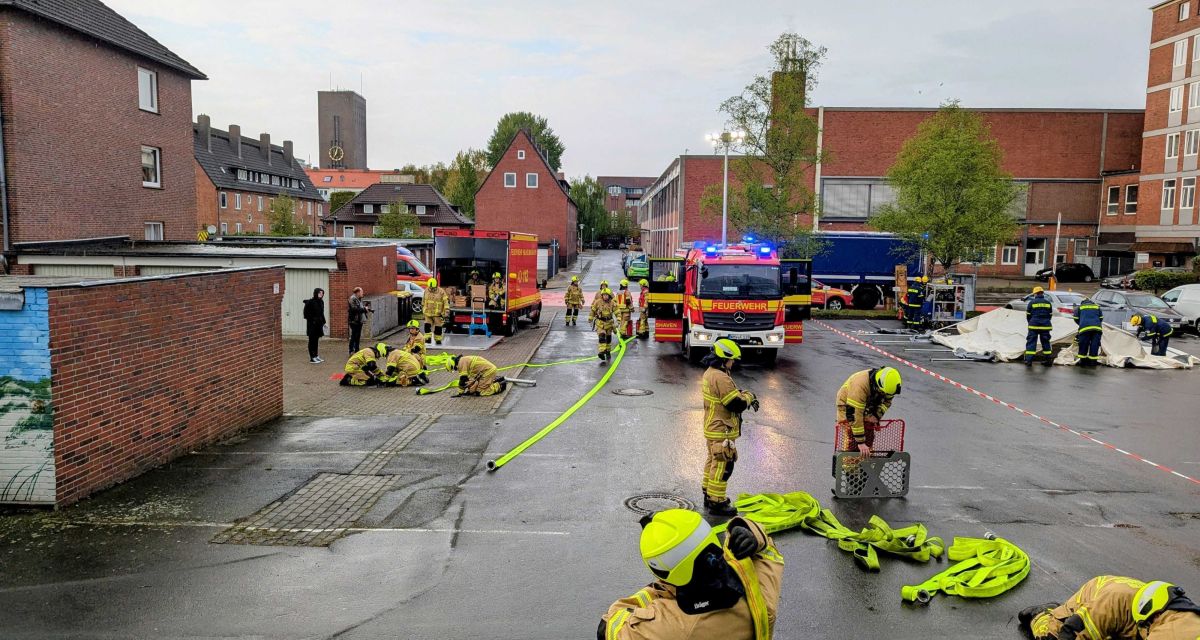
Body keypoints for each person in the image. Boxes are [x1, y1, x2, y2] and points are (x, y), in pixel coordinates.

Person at [599, 509, 783, 640]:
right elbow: (768, 554)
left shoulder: (673, 627)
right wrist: (751, 532)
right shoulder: (755, 589)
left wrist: (658, 592)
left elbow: (609, 626)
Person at [1019, 576, 1200, 639]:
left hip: (1127, 613)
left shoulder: (1172, 618)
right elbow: (1070, 633)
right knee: (1052, 636)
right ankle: (1044, 614)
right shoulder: (1109, 606)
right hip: (1091, 599)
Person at [699, 339, 759, 516]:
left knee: (713, 461)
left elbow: (727, 395)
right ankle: (717, 502)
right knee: (724, 465)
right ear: (724, 358)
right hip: (722, 429)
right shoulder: (721, 377)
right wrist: (749, 396)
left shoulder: (711, 373)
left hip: (713, 427)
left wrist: (742, 394)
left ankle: (708, 493)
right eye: (732, 359)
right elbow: (735, 404)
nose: (733, 362)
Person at [835, 367, 902, 457]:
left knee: (869, 435)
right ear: (878, 385)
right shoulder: (860, 385)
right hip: (848, 405)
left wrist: (876, 415)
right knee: (853, 441)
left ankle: (865, 465)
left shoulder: (889, 387)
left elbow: (887, 402)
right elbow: (854, 415)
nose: (885, 395)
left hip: (867, 403)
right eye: (883, 393)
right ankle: (849, 468)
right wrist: (860, 442)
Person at [1025, 286, 1054, 366]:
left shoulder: (1032, 303)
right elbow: (1050, 315)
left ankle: (1029, 361)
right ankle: (1048, 361)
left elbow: (1028, 315)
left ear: (1035, 294)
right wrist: (1045, 321)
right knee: (1046, 343)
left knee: (1031, 343)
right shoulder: (1048, 303)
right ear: (1042, 293)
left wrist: (1030, 322)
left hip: (1034, 326)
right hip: (1045, 326)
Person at [1073, 296, 1103, 366]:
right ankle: (1093, 362)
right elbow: (1101, 318)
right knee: (1095, 344)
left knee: (1083, 344)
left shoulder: (1079, 307)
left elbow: (1075, 318)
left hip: (1084, 329)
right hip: (1097, 329)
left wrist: (1081, 323)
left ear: (1082, 302)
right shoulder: (1097, 307)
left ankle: (1082, 361)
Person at [590, 288, 617, 362]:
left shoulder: (612, 303)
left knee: (608, 339)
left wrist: (618, 321)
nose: (605, 296)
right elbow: (593, 310)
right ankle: (602, 352)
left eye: (606, 295)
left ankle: (608, 352)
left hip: (609, 323)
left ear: (609, 296)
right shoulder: (598, 302)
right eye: (603, 295)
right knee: (602, 336)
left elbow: (617, 312)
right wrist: (590, 319)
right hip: (600, 323)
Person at [423, 278, 450, 346]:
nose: (431, 288)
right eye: (430, 287)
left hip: (437, 314)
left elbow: (445, 301)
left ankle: (438, 340)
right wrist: (423, 308)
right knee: (427, 326)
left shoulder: (441, 291)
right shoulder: (426, 290)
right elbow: (423, 300)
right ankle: (428, 339)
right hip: (428, 313)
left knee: (438, 328)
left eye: (433, 287)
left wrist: (446, 310)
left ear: (436, 286)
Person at [303, 287, 326, 364]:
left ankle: (316, 355)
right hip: (312, 325)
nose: (321, 294)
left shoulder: (321, 302)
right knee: (312, 340)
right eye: (319, 293)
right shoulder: (310, 302)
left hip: (319, 325)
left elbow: (321, 313)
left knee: (316, 341)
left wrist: (324, 322)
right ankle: (312, 357)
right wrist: (313, 320)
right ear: (316, 293)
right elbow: (306, 314)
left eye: (322, 293)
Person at [347, 287, 371, 355]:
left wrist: (366, 309)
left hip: (359, 320)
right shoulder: (352, 299)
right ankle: (351, 350)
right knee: (354, 335)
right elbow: (355, 309)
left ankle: (357, 349)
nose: (362, 293)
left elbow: (360, 308)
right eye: (361, 292)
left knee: (358, 336)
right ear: (357, 292)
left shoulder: (359, 299)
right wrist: (364, 309)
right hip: (354, 320)